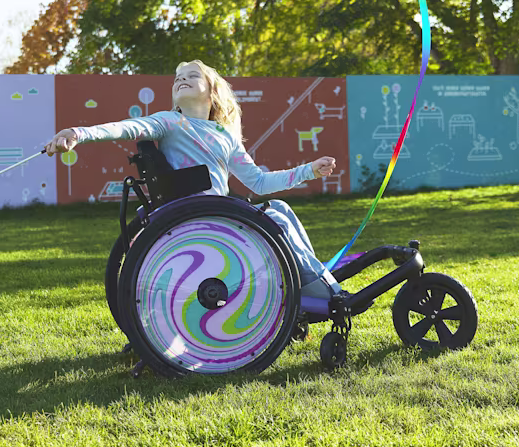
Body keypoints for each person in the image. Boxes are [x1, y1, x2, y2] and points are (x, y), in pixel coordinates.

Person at [46, 59, 341, 300]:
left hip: (217, 213)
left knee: (280, 209)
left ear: (212, 92)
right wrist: (79, 133)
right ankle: (320, 286)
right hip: (200, 216)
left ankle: (312, 278)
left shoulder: (225, 136)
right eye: (177, 78)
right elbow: (127, 127)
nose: (180, 79)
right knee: (278, 218)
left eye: (191, 76)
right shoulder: (169, 121)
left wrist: (309, 171)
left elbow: (259, 184)